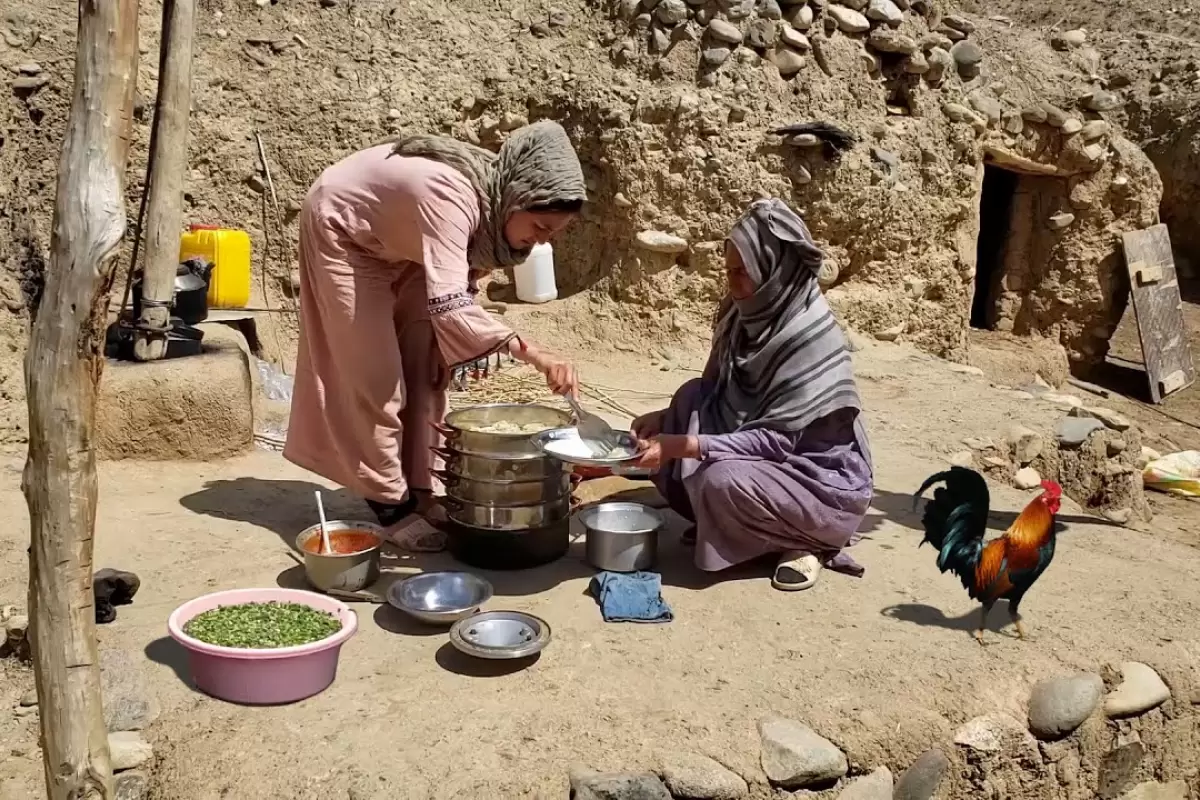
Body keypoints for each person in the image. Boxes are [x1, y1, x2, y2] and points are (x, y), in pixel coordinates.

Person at [284, 121, 586, 536]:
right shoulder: (449, 196)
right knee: (375, 375)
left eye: (553, 234)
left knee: (427, 364)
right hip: (344, 230)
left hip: (402, 242)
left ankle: (421, 487)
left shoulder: (495, 204)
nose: (539, 241)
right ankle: (389, 502)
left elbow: (458, 286)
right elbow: (450, 303)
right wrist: (533, 353)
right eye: (539, 228)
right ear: (518, 197)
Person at [629, 198, 874, 591]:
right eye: (729, 271)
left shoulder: (808, 337)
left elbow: (776, 441)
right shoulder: (740, 314)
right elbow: (713, 386)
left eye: (742, 272)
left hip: (812, 478)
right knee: (689, 398)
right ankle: (733, 528)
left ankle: (807, 542)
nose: (732, 283)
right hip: (763, 455)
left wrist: (677, 444)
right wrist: (665, 419)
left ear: (774, 270)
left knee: (721, 480)